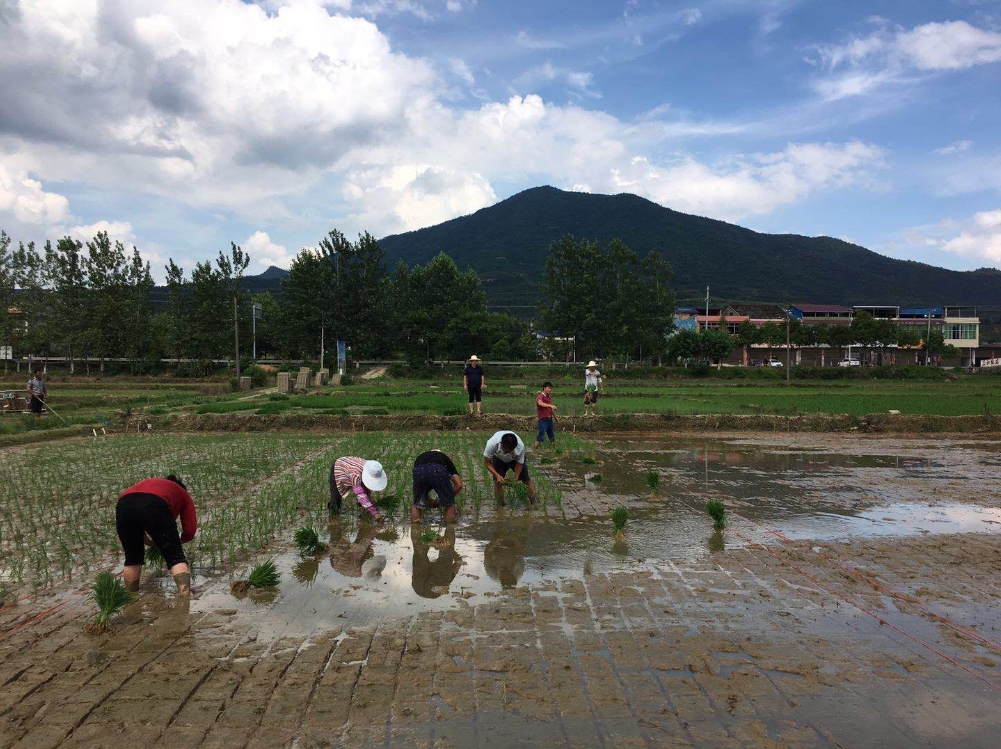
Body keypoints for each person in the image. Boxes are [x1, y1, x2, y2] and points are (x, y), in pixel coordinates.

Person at [116, 475, 196, 595]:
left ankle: (131, 596)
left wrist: (151, 542)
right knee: (176, 558)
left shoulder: (150, 484)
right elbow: (189, 530)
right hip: (154, 504)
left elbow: (139, 516)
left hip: (123, 505)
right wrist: (175, 543)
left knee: (132, 559)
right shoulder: (182, 493)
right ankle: (185, 598)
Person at [483, 430, 535, 505]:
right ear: (502, 444)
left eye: (511, 450)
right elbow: (487, 462)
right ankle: (500, 506)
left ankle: (534, 504)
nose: (509, 453)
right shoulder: (492, 444)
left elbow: (519, 463)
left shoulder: (520, 446)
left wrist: (515, 479)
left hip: (514, 460)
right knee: (498, 483)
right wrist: (497, 475)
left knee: (526, 481)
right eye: (507, 451)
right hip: (499, 459)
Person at [411, 449, 463, 522]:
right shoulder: (445, 458)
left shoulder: (421, 457)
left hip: (418, 471)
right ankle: (450, 527)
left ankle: (415, 528)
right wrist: (447, 498)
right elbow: (459, 485)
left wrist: (431, 502)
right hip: (437, 470)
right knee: (449, 503)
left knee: (417, 504)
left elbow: (422, 493)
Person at [329, 457, 388, 521]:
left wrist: (369, 497)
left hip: (352, 468)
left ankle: (363, 512)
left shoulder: (373, 469)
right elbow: (360, 495)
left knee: (365, 495)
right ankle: (333, 518)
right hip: (338, 467)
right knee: (336, 500)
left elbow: (366, 488)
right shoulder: (356, 475)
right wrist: (375, 514)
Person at [534, 381, 557, 449]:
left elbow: (550, 409)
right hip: (543, 420)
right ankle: (534, 449)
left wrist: (555, 418)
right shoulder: (540, 396)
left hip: (549, 419)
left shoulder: (548, 398)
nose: (550, 390)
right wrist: (551, 405)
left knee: (551, 435)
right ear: (544, 388)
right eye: (549, 388)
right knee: (541, 435)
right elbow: (540, 403)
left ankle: (555, 449)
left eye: (551, 388)